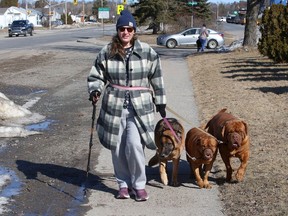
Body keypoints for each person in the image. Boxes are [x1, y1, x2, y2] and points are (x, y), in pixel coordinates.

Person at [87, 10, 167, 201]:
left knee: (133, 144)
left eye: (129, 28)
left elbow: (157, 77)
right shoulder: (107, 52)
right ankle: (123, 184)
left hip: (139, 108)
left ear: (134, 30)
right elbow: (96, 74)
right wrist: (95, 89)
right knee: (117, 147)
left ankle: (139, 185)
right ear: (118, 30)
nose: (125, 32)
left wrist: (161, 101)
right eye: (122, 29)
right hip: (114, 107)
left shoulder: (147, 52)